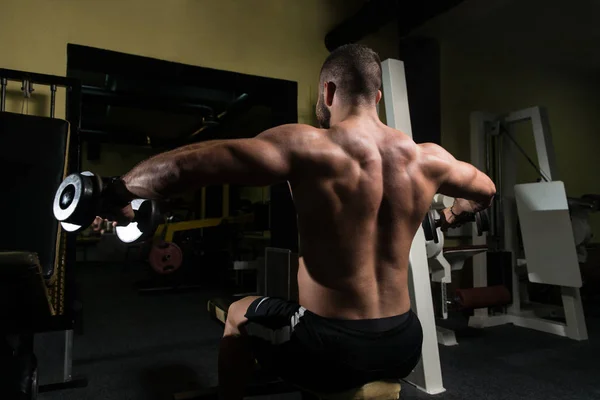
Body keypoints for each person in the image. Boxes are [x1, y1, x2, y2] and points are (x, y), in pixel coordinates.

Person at [94, 44, 496, 399]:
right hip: (405, 340)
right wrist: (450, 214)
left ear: (329, 91)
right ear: (377, 96)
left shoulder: (308, 145)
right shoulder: (428, 158)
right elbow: (486, 190)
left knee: (237, 313)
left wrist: (117, 194)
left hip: (332, 346)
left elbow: (189, 166)